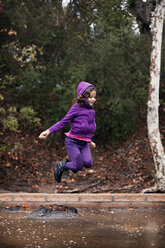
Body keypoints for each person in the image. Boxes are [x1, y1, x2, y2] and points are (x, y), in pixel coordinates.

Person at [39, 81, 97, 183]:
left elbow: (90, 128)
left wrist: (90, 141)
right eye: (90, 97)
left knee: (88, 163)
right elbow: (63, 122)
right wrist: (48, 131)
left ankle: (73, 166)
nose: (93, 99)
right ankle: (60, 165)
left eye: (94, 97)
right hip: (72, 142)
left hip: (84, 143)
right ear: (82, 96)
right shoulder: (76, 108)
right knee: (78, 166)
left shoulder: (91, 111)